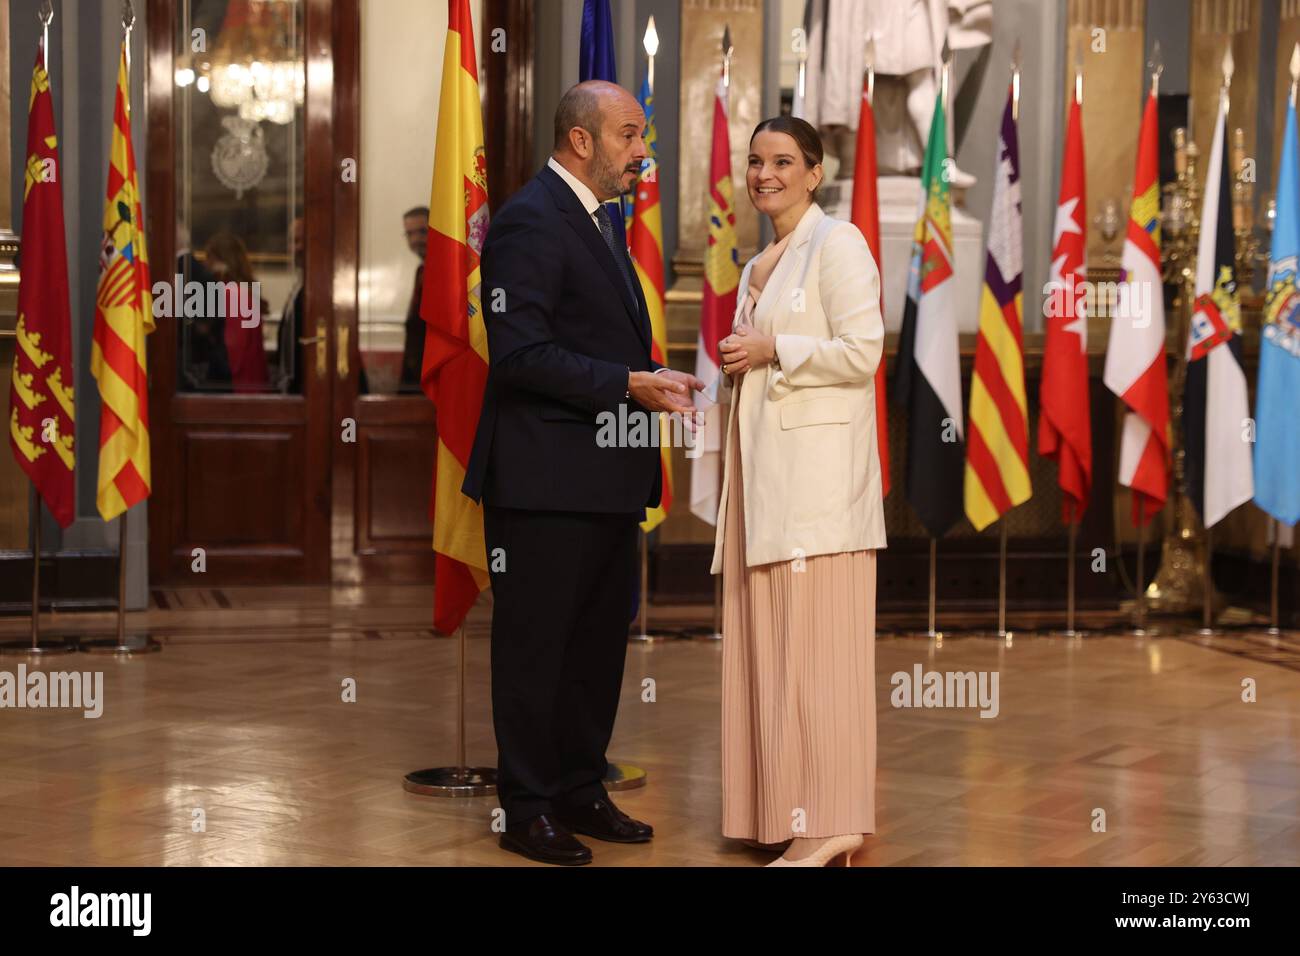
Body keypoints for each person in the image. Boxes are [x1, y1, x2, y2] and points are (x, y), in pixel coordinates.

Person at [462, 80, 702, 866]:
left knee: (597, 648)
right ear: (580, 141)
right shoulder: (531, 221)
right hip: (542, 484)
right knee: (536, 650)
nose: (643, 152)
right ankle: (526, 808)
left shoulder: (601, 221)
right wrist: (629, 384)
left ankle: (578, 787)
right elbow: (521, 354)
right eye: (631, 136)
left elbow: (598, 342)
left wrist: (650, 378)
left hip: (605, 477)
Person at [712, 115, 886, 867]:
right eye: (755, 161)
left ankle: (835, 821)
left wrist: (772, 346)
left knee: (818, 661)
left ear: (815, 173)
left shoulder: (838, 243)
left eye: (783, 161)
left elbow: (863, 350)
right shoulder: (758, 266)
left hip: (817, 497)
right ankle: (783, 810)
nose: (765, 174)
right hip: (762, 488)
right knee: (771, 655)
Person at [204, 233, 270, 393]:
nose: (205, 265)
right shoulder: (241, 292)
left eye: (208, 259)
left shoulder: (232, 293)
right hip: (251, 387)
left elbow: (233, 353)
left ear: (219, 261)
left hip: (238, 390)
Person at [400, 206, 430, 392]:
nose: (415, 240)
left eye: (422, 232)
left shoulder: (447, 271)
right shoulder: (421, 271)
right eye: (409, 234)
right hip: (415, 371)